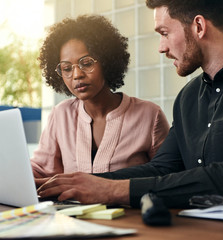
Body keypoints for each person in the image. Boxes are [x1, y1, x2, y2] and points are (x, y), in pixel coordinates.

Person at [36, 0, 223, 208]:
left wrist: (111, 190)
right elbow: (162, 168)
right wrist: (81, 183)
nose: (161, 47)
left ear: (199, 26)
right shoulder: (188, 98)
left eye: (164, 32)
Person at [31, 15, 170, 182]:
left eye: (87, 63)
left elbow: (168, 174)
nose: (77, 75)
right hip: (71, 208)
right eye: (66, 68)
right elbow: (39, 169)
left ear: (106, 61)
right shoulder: (60, 115)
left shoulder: (149, 115)